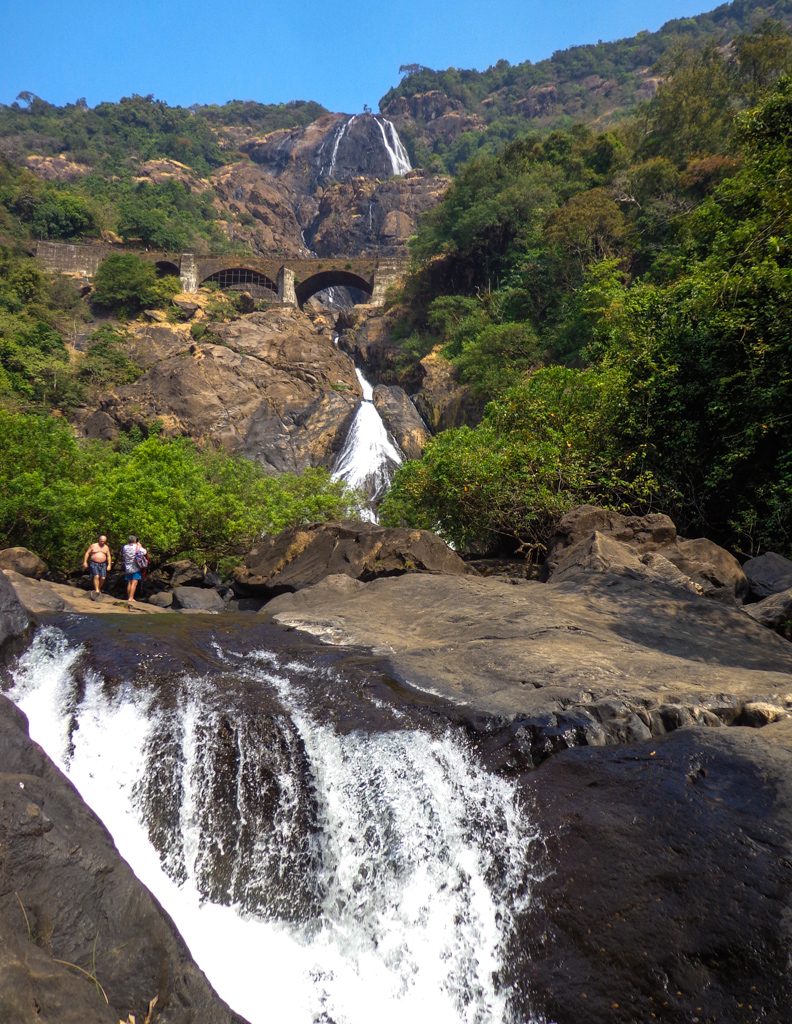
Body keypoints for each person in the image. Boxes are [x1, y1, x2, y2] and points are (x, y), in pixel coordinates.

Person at [83, 534, 112, 600]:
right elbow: (87, 553)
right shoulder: (93, 545)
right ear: (99, 540)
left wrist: (109, 565)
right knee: (96, 576)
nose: (102, 542)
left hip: (103, 564)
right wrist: (85, 562)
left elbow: (109, 556)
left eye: (104, 541)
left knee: (103, 577)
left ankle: (98, 588)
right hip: (94, 563)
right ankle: (97, 590)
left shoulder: (106, 547)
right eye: (101, 541)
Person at [121, 534, 148, 606]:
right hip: (135, 567)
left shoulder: (125, 547)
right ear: (135, 540)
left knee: (129, 582)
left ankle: (128, 597)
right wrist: (140, 546)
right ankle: (131, 598)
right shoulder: (137, 547)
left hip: (127, 567)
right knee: (134, 583)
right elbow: (144, 552)